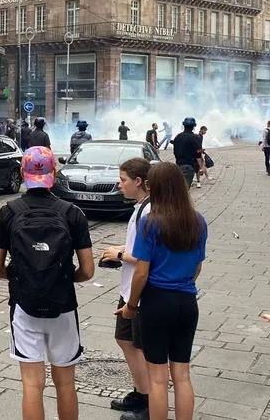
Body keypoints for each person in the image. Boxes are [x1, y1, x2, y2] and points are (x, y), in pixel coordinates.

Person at [0, 146, 95, 420]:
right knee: (66, 383)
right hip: (64, 306)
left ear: (24, 173)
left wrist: (22, 276)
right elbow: (88, 270)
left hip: (24, 305)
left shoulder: (8, 212)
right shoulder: (72, 213)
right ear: (54, 173)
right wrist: (61, 279)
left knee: (32, 385)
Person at [116, 163, 207, 420]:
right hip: (187, 302)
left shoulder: (150, 223)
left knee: (157, 378)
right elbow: (197, 266)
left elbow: (142, 273)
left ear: (154, 186)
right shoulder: (197, 220)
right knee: (182, 374)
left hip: (156, 302)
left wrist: (131, 306)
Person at [102, 157, 152, 420]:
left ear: (139, 181)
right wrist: (120, 249)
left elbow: (147, 256)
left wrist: (120, 255)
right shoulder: (139, 207)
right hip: (128, 286)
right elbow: (136, 246)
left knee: (141, 346)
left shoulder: (149, 211)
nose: (119, 185)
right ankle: (140, 391)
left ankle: (148, 402)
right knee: (124, 339)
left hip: (140, 290)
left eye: (123, 180)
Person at [170, 118, 203, 188]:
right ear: (194, 126)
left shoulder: (177, 137)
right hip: (189, 167)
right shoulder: (195, 138)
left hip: (178, 166)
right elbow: (198, 154)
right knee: (184, 190)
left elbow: (175, 151)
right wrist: (200, 168)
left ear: (183, 125)